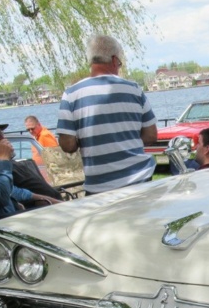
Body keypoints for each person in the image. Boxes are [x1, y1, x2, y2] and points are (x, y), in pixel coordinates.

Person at [56, 34, 158, 194]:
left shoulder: (71, 94)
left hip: (99, 187)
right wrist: (127, 139)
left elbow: (67, 145)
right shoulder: (134, 89)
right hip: (140, 178)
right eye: (119, 63)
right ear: (114, 60)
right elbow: (151, 135)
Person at [0, 116, 62, 207]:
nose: (2, 136)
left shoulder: (0, 159)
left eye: (1, 132)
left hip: (53, 201)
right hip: (45, 206)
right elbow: (12, 192)